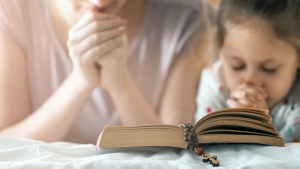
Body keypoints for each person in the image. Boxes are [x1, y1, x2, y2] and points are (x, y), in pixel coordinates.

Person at [0, 0, 213, 143]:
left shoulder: (185, 18)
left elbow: (176, 146)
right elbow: (7, 141)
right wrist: (80, 82)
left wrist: (120, 84)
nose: (101, 2)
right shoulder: (13, 9)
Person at [195, 0, 300, 143]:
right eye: (237, 66)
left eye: (269, 69)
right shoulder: (214, 85)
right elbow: (206, 151)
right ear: (220, 51)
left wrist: (260, 127)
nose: (250, 80)